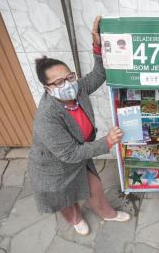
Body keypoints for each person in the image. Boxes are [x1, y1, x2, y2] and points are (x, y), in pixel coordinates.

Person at [28, 16, 130, 236]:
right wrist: (108, 141)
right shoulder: (47, 116)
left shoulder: (77, 89)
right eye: (58, 82)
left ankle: (107, 213)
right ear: (47, 88)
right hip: (53, 166)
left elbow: (98, 74)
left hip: (79, 155)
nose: (67, 84)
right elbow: (70, 153)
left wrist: (97, 44)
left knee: (95, 188)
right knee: (66, 199)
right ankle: (75, 219)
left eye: (69, 77)